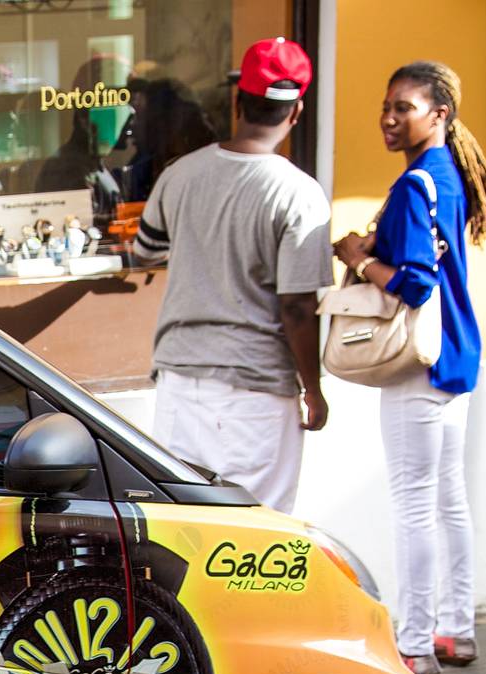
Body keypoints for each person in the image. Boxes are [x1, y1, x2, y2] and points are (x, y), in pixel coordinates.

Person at [333, 62, 486, 674]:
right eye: (387, 105)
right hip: (454, 358)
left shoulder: (413, 187)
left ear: (440, 115)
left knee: (413, 505)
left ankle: (415, 644)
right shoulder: (446, 176)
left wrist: (357, 257)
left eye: (405, 107)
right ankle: (456, 630)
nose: (390, 117)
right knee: (448, 501)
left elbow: (415, 284)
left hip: (416, 365)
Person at [132, 37, 331, 513]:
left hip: (181, 382)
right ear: (297, 111)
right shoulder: (299, 194)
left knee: (187, 532)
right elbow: (298, 306)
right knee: (259, 540)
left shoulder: (179, 175)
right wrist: (314, 387)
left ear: (238, 101)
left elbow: (145, 253)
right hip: (256, 393)